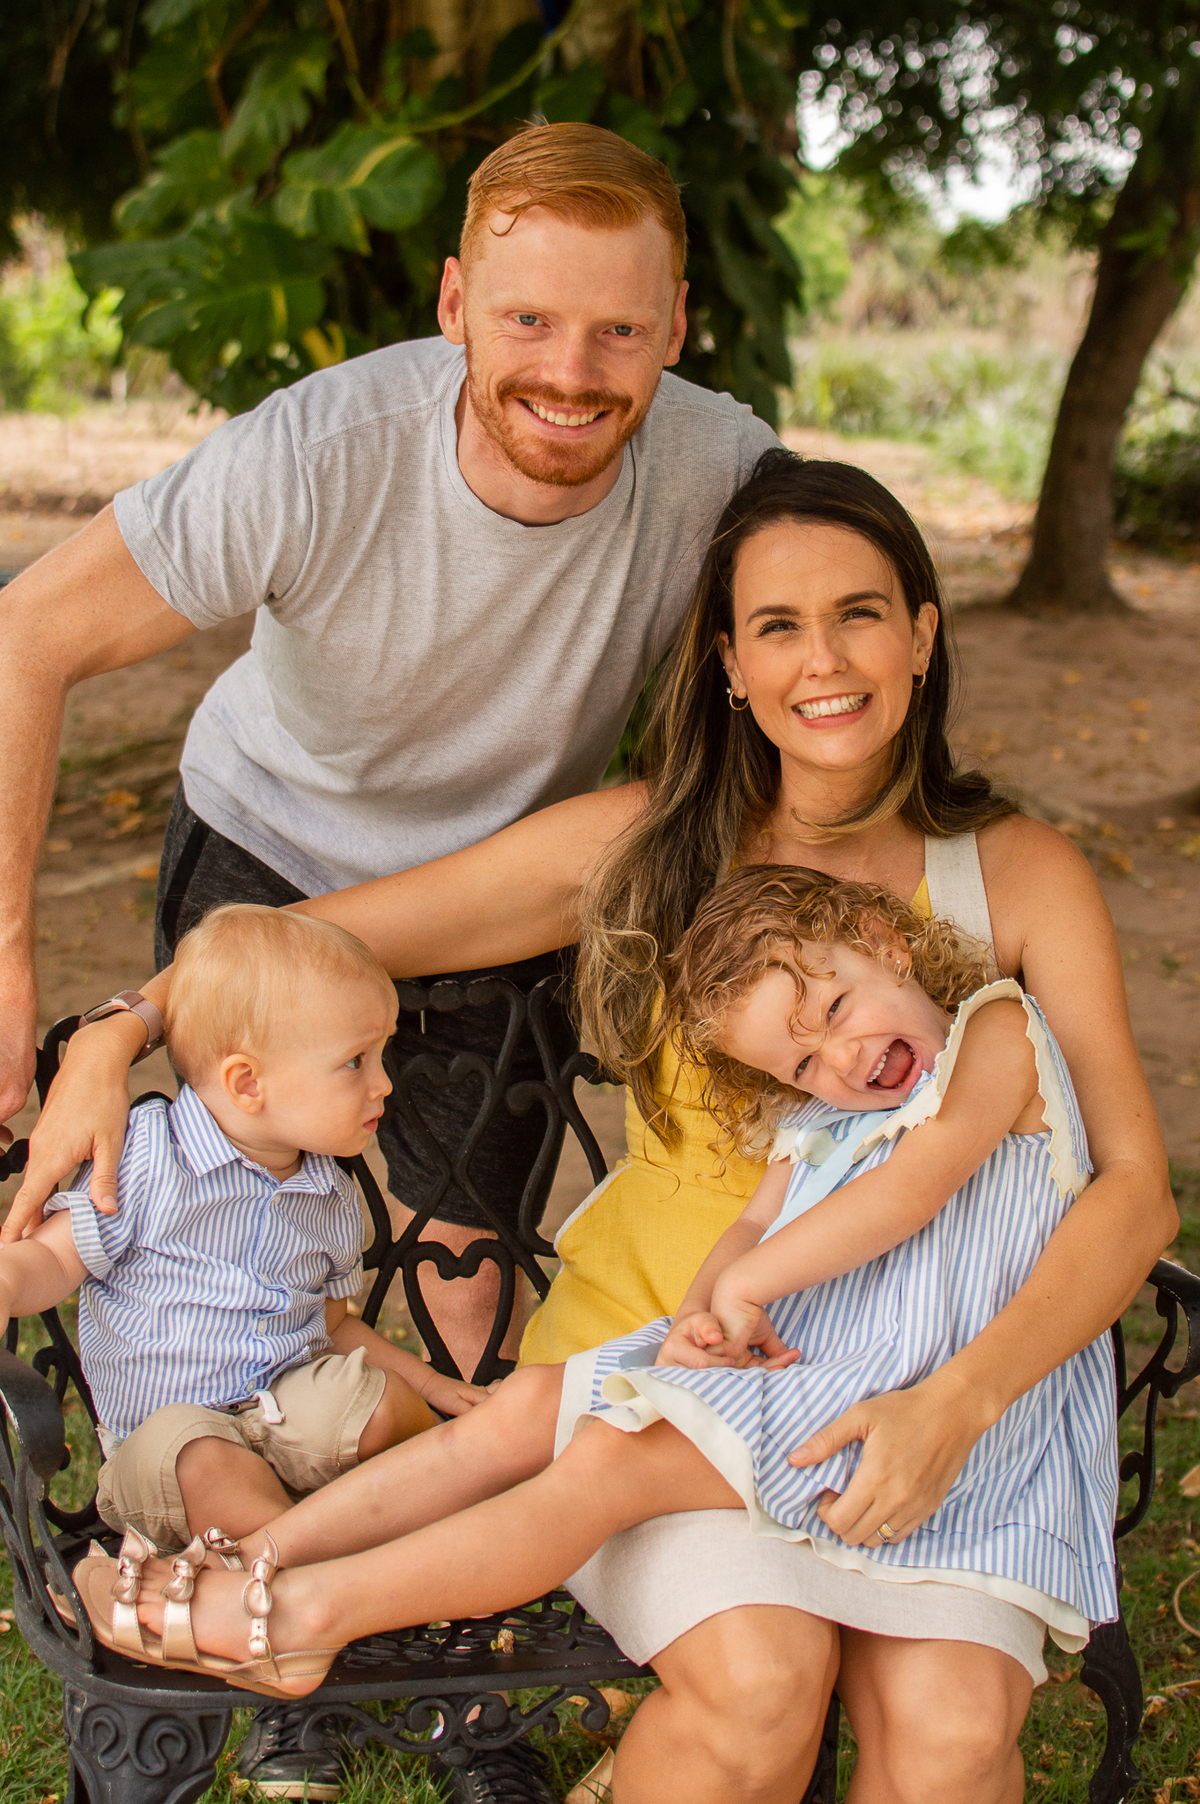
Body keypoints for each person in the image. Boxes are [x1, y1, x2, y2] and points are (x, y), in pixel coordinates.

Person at [14, 451, 1175, 1804]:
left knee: (956, 1735)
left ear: (922, 632)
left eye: (859, 613)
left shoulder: (1018, 876)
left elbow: (1133, 1189)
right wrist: (120, 1028)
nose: (823, 661)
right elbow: (319, 942)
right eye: (778, 626)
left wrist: (958, 1405)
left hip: (940, 1384)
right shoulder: (652, 844)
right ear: (729, 664)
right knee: (762, 1683)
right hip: (675, 1360)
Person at [0, 119, 775, 1801]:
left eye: (618, 328)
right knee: (223, 1212)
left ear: (677, 324)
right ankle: (242, 1606)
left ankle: (438, 1639)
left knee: (466, 1259)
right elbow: (30, 630)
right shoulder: (322, 449)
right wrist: (14, 971)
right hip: (272, 851)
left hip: (504, 880)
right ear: (451, 303)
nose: (571, 370)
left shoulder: (724, 471)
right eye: (527, 319)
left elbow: (792, 695)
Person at [68, 865, 1119, 1804]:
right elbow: (751, 1226)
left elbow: (918, 1186)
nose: (840, 1058)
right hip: (829, 1373)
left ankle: (298, 1618)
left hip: (911, 1399)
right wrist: (706, 1308)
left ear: (889, 943)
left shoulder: (995, 1029)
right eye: (801, 1063)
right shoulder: (820, 1120)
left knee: (605, 1463)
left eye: (837, 1007)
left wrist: (753, 1283)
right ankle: (253, 1564)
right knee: (530, 1407)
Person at [1, 906, 484, 1564]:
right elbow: (55, 1261)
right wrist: (7, 1281)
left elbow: (332, 1325)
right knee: (204, 1456)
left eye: (380, 1055)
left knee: (381, 1404)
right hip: (165, 1450)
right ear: (247, 1082)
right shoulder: (149, 1157)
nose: (384, 1084)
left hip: (283, 1420)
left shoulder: (328, 1193)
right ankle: (303, 1567)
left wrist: (425, 1385)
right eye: (355, 1062)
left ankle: (338, 1541)